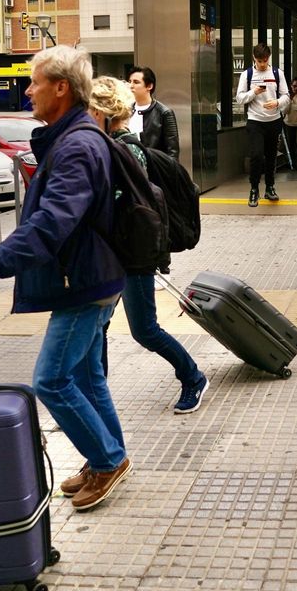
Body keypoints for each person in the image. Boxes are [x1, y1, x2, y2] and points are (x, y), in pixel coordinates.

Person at [0, 45, 131, 513]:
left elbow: (51, 223)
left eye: (34, 82)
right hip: (93, 276)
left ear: (61, 88)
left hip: (84, 283)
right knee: (88, 376)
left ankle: (107, 460)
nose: (28, 90)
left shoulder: (78, 145)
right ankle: (108, 457)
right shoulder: (73, 137)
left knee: (51, 380)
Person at [86, 76, 210, 414]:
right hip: (114, 255)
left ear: (102, 113)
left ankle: (193, 377)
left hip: (133, 256)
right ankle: (98, 401)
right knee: (98, 328)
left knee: (144, 330)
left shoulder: (124, 150)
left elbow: (125, 205)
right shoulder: (111, 146)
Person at [235, 43, 289, 207]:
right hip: (255, 121)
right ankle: (254, 189)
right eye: (260, 61)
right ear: (254, 58)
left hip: (273, 121)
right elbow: (239, 98)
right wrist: (254, 92)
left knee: (271, 156)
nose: (263, 64)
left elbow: (286, 96)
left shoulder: (277, 73)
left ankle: (270, 187)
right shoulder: (247, 75)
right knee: (256, 155)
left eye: (265, 60)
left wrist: (277, 103)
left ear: (269, 58)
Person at [126, 66, 180, 159]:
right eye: (130, 81)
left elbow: (173, 151)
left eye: (136, 82)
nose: (131, 86)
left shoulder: (164, 113)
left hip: (154, 168)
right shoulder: (125, 110)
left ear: (149, 86)